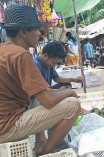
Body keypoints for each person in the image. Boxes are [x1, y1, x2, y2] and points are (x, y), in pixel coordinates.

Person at [0, 4, 81, 156]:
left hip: (7, 119)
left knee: (39, 99)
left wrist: (61, 92)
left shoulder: (4, 50)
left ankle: (40, 144)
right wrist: (69, 91)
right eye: (37, 30)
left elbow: (39, 93)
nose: (39, 34)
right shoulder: (21, 55)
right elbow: (48, 101)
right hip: (7, 127)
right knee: (73, 105)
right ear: (24, 32)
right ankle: (45, 152)